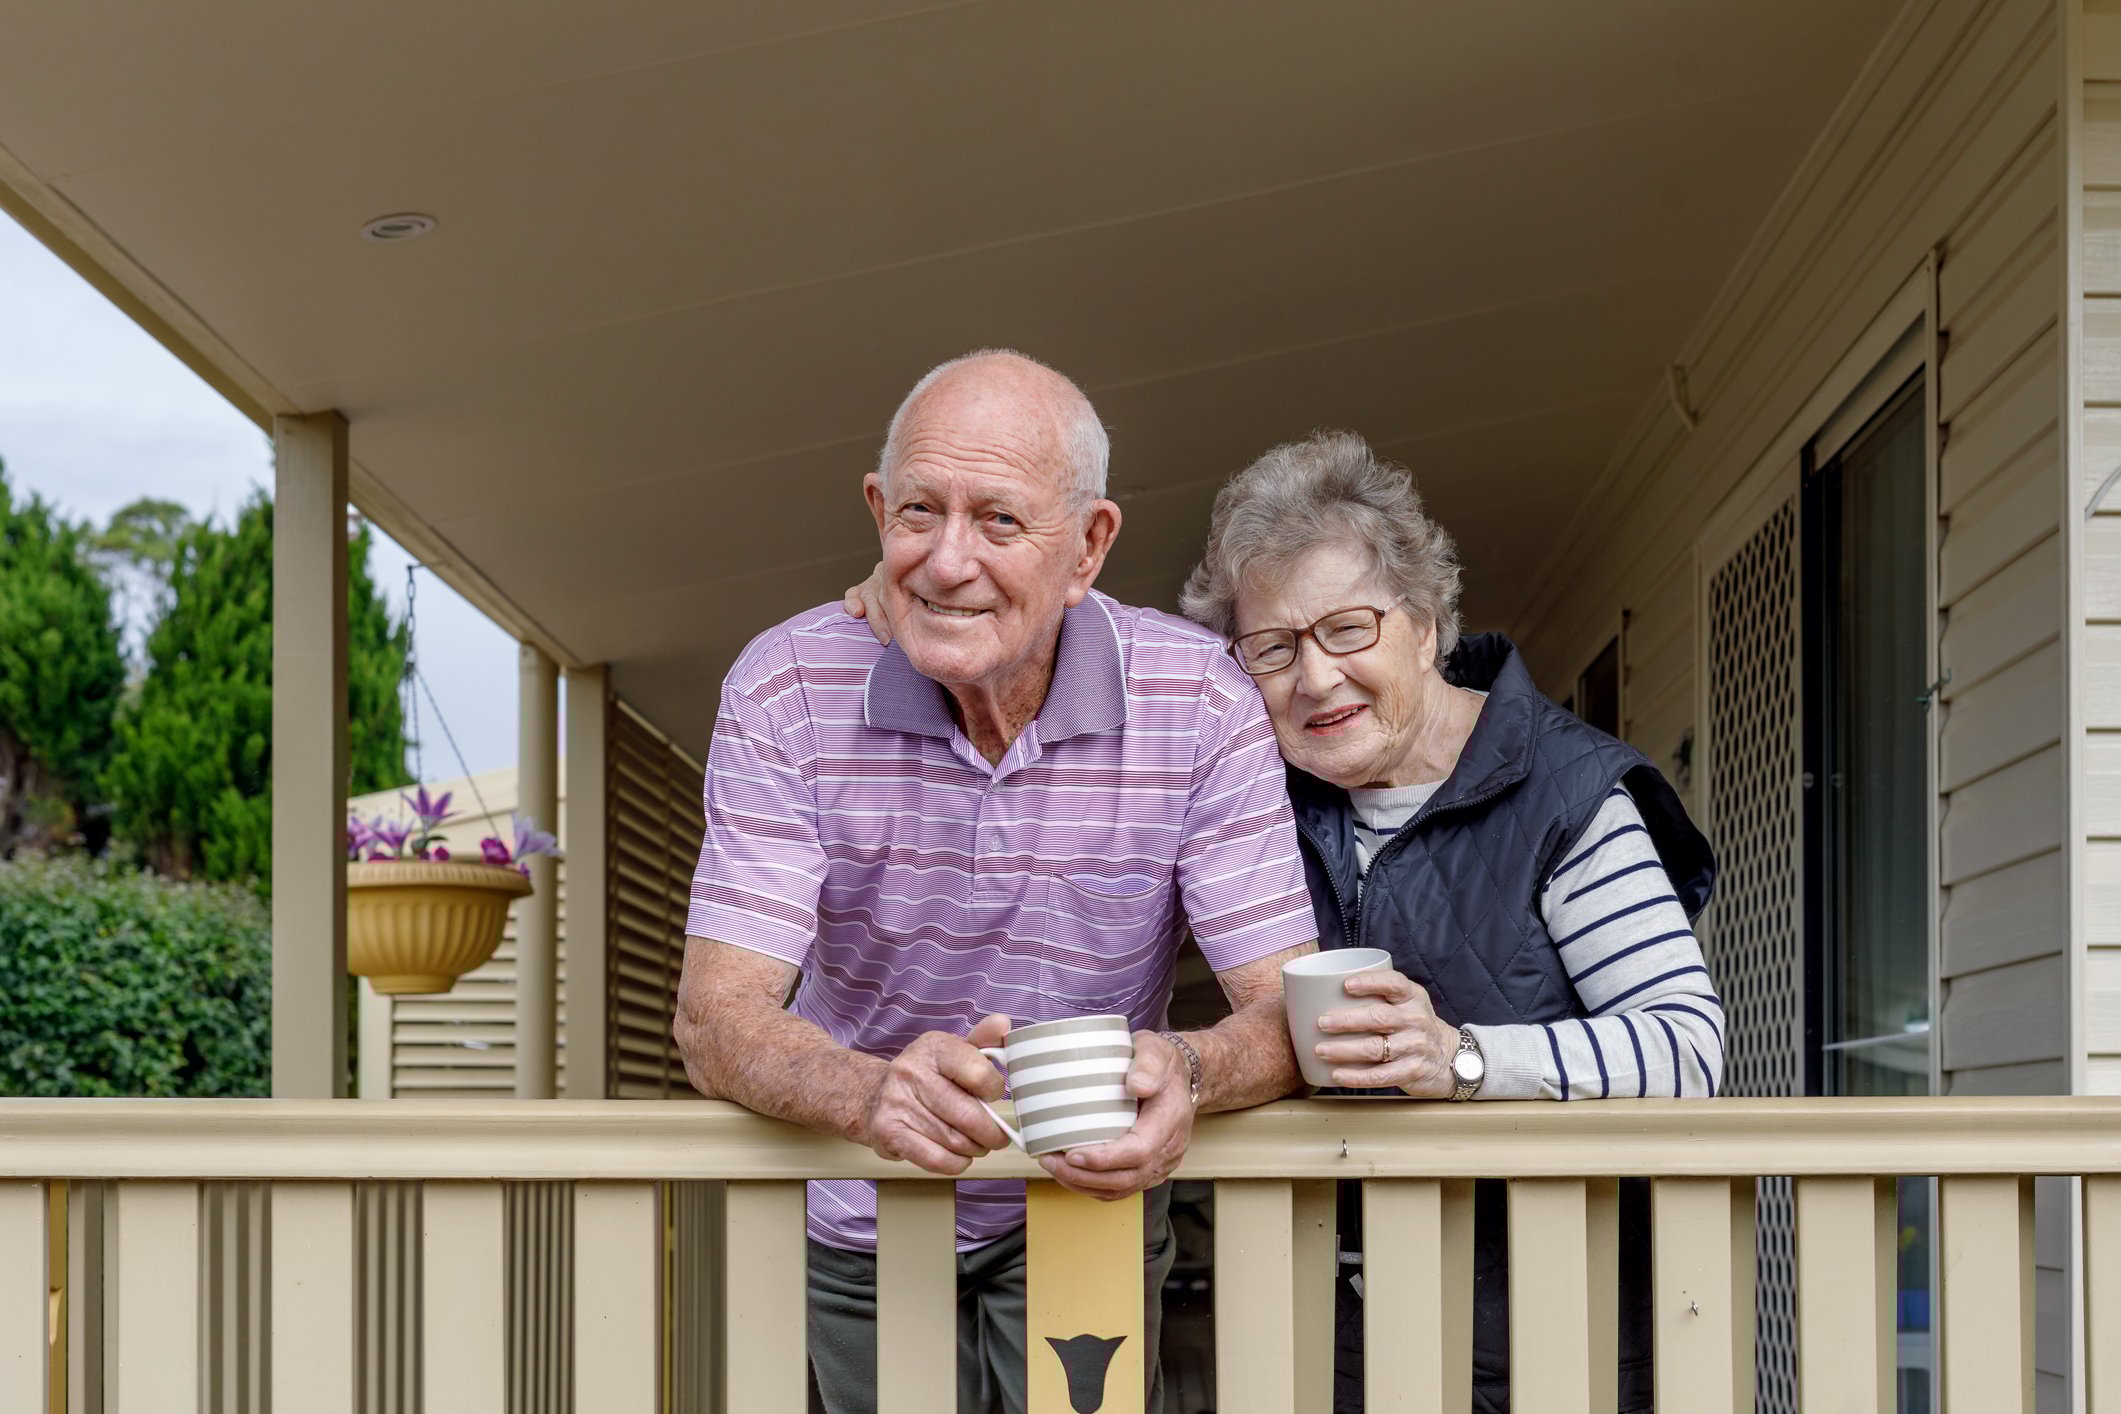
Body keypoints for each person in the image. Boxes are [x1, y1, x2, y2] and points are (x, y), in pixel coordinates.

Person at [674, 349, 1320, 1414]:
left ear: (1089, 547)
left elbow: (1284, 1008)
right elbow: (716, 1018)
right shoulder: (784, 687)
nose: (946, 561)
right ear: (878, 510)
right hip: (866, 1203)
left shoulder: (1198, 699)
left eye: (1001, 522)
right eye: (919, 511)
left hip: (1086, 1197)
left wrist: (1190, 1075)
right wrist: (868, 1090)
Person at [1177, 431, 1721, 1414]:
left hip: (1566, 1338)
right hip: (1353, 1338)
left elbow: (1685, 1047)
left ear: (1425, 624)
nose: (1315, 677)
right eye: (1274, 647)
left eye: (1349, 628)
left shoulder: (1565, 792)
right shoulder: (1268, 809)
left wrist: (1463, 1060)